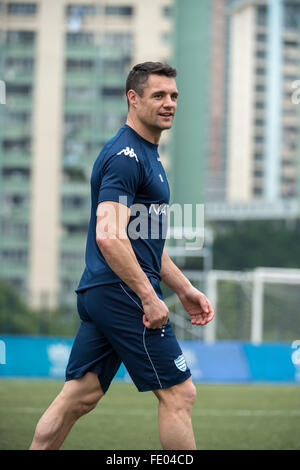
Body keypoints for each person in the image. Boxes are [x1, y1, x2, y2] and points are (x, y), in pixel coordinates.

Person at [29, 62, 214, 450]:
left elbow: (143, 242)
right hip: (122, 291)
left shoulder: (147, 156)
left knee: (81, 394)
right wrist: (149, 296)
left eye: (174, 96)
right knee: (179, 394)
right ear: (133, 98)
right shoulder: (126, 156)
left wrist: (183, 288)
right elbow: (110, 236)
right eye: (158, 95)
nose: (169, 103)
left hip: (108, 290)